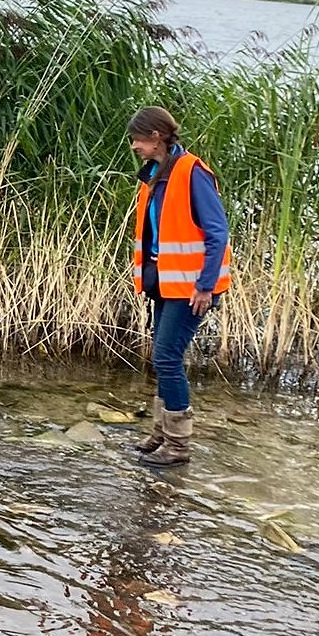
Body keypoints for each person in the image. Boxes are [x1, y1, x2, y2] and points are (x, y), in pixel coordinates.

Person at [128, 106, 231, 466]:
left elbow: (218, 233)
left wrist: (205, 285)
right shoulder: (156, 174)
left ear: (156, 136)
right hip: (165, 283)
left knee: (167, 357)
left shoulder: (192, 172)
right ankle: (162, 434)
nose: (134, 146)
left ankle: (177, 446)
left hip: (191, 288)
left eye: (137, 139)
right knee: (163, 357)